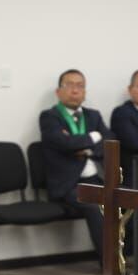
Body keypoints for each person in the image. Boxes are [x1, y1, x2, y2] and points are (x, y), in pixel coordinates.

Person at [38, 68, 107, 257]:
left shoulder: (94, 116)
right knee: (97, 206)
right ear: (58, 91)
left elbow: (109, 143)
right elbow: (64, 143)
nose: (75, 90)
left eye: (80, 86)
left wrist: (84, 147)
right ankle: (111, 267)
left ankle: (128, 256)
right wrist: (93, 136)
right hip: (68, 185)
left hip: (95, 180)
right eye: (69, 85)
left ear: (85, 91)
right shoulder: (50, 117)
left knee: (131, 199)